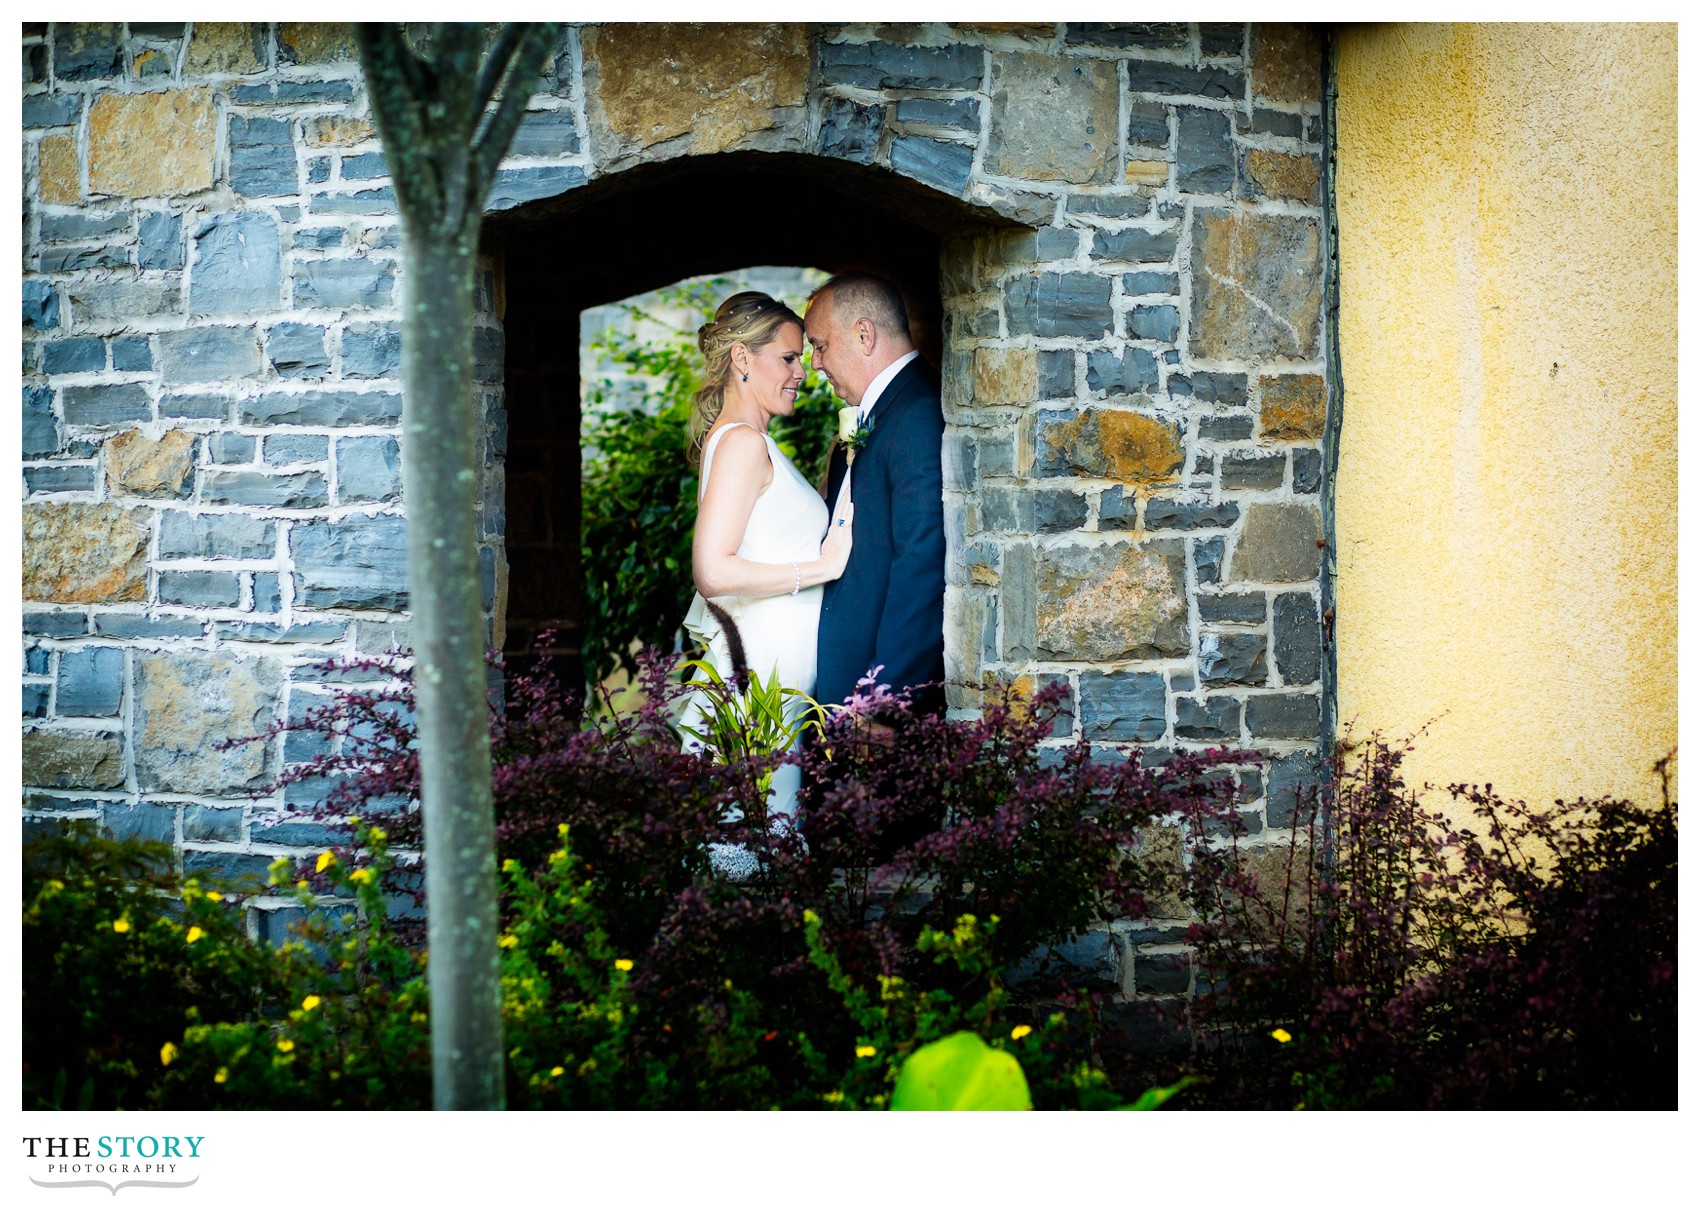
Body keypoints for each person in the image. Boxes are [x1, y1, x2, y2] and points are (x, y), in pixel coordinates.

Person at [679, 291, 853, 873]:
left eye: (803, 358)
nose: (802, 372)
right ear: (742, 358)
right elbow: (712, 571)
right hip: (757, 693)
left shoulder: (748, 441)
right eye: (788, 358)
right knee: (753, 863)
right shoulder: (742, 444)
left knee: (765, 858)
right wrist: (821, 569)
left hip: (775, 695)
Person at [805, 272, 946, 716]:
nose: (814, 364)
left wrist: (883, 697)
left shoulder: (916, 414)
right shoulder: (886, 412)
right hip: (847, 690)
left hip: (873, 704)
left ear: (864, 334)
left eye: (820, 345)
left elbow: (921, 563)